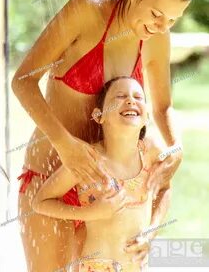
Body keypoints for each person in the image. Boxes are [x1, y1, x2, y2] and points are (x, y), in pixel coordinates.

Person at [12, 0, 193, 271]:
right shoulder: (85, 11)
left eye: (172, 21)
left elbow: (163, 106)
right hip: (49, 180)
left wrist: (176, 145)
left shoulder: (156, 37)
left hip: (103, 194)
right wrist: (66, 146)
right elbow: (23, 81)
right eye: (156, 14)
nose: (162, 27)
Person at [32, 77, 172, 272]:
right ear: (99, 116)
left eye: (138, 96)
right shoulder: (88, 160)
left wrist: (152, 231)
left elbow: (165, 186)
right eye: (120, 96)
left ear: (146, 116)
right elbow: (40, 202)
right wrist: (90, 213)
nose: (131, 100)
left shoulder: (151, 153)